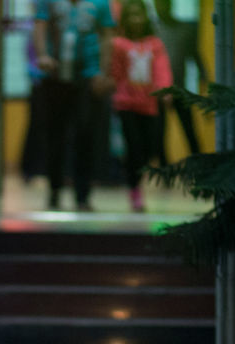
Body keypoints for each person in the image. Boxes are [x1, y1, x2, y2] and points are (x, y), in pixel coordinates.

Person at [33, 0, 117, 212]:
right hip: (55, 77)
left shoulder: (100, 3)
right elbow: (40, 26)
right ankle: (54, 191)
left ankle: (82, 196)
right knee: (54, 136)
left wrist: (103, 72)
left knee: (85, 135)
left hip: (87, 80)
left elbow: (107, 36)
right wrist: (42, 55)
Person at [110, 0, 172, 212]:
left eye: (139, 15)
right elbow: (115, 74)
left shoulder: (155, 44)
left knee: (150, 148)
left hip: (149, 104)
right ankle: (134, 189)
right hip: (126, 104)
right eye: (132, 16)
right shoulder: (119, 44)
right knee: (133, 146)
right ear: (125, 19)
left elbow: (162, 70)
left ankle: (136, 178)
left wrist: (165, 91)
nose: (136, 20)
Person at [152, 0, 205, 163]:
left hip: (179, 88)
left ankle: (200, 166)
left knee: (189, 130)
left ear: (169, 5)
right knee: (159, 132)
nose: (160, 7)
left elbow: (194, 54)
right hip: (158, 91)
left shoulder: (185, 30)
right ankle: (164, 170)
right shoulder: (152, 30)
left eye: (163, 4)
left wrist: (203, 76)